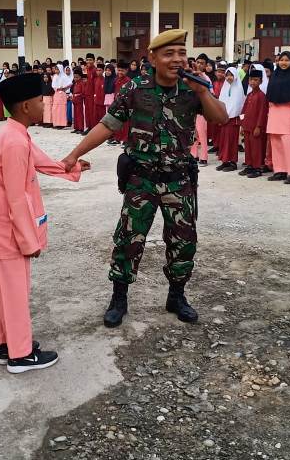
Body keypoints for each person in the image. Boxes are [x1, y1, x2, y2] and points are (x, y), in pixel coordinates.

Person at [60, 29, 228, 328]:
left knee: (183, 240)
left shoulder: (193, 89)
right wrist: (74, 154)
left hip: (179, 180)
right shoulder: (134, 88)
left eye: (181, 53)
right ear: (152, 58)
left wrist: (203, 91)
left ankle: (176, 295)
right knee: (128, 238)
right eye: (169, 54)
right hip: (142, 180)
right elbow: (108, 125)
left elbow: (221, 117)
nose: (177, 59)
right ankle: (119, 297)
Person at [0, 72, 90, 373]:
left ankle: (7, 345)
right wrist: (29, 241)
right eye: (40, 100)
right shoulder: (15, 143)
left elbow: (42, 162)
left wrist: (72, 166)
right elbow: (16, 199)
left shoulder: (13, 134)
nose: (45, 105)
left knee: (0, 290)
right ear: (25, 107)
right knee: (15, 292)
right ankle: (20, 355)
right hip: (4, 232)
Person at [266, 51, 290, 184]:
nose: (283, 63)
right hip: (275, 110)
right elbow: (270, 93)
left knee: (288, 141)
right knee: (275, 140)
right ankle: (280, 170)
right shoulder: (274, 76)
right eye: (281, 60)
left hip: (288, 109)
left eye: (287, 60)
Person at [239, 68, 269, 178]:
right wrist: (242, 124)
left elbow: (262, 113)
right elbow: (243, 110)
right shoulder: (249, 95)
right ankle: (250, 165)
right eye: (251, 80)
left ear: (261, 81)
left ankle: (257, 168)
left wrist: (258, 127)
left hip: (255, 127)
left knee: (256, 148)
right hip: (247, 126)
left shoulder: (261, 96)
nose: (253, 82)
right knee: (248, 148)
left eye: (256, 80)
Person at [215, 67, 244, 172]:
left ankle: (232, 162)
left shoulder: (238, 88)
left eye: (231, 75)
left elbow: (238, 105)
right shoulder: (225, 87)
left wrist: (229, 115)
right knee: (223, 140)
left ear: (235, 75)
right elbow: (221, 102)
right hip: (224, 119)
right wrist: (221, 115)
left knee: (230, 141)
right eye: (227, 75)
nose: (229, 77)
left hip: (233, 120)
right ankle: (224, 161)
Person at [52, 62, 71, 129]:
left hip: (62, 94)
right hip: (56, 94)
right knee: (55, 109)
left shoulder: (64, 76)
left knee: (62, 109)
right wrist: (57, 88)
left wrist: (64, 89)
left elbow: (70, 84)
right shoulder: (55, 76)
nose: (56, 71)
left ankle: (62, 124)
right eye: (55, 69)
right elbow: (53, 86)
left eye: (57, 69)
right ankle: (56, 123)